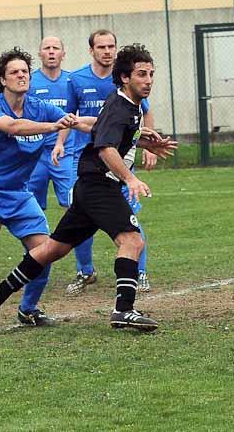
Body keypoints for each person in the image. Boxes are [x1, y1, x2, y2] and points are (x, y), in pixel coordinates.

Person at [0, 44, 176, 332]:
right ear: (124, 77)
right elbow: (106, 147)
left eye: (151, 74)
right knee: (132, 241)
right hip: (99, 186)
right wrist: (131, 179)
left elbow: (106, 132)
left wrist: (143, 141)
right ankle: (124, 310)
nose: (148, 80)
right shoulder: (121, 106)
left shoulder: (128, 106)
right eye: (141, 74)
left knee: (52, 250)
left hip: (89, 186)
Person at [0, 48, 82, 328]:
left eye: (25, 71)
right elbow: (13, 126)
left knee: (45, 251)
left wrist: (133, 133)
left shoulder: (40, 107)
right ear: (2, 79)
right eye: (14, 72)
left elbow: (71, 121)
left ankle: (28, 309)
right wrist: (52, 127)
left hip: (18, 192)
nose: (21, 75)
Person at [58, 29, 157, 296]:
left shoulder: (130, 78)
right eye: (101, 46)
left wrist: (146, 145)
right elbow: (72, 117)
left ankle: (139, 273)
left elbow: (143, 115)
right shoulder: (77, 79)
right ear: (91, 50)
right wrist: (60, 143)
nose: (107, 51)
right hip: (89, 160)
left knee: (130, 223)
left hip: (119, 161)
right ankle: (85, 271)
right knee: (82, 222)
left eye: (111, 45)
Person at [27, 37, 74, 212]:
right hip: (35, 154)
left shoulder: (72, 80)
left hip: (65, 153)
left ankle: (73, 240)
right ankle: (38, 239)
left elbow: (74, 116)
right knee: (30, 206)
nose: (52, 51)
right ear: (40, 53)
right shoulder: (29, 82)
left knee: (74, 203)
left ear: (63, 54)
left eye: (56, 48)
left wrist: (60, 142)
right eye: (47, 48)